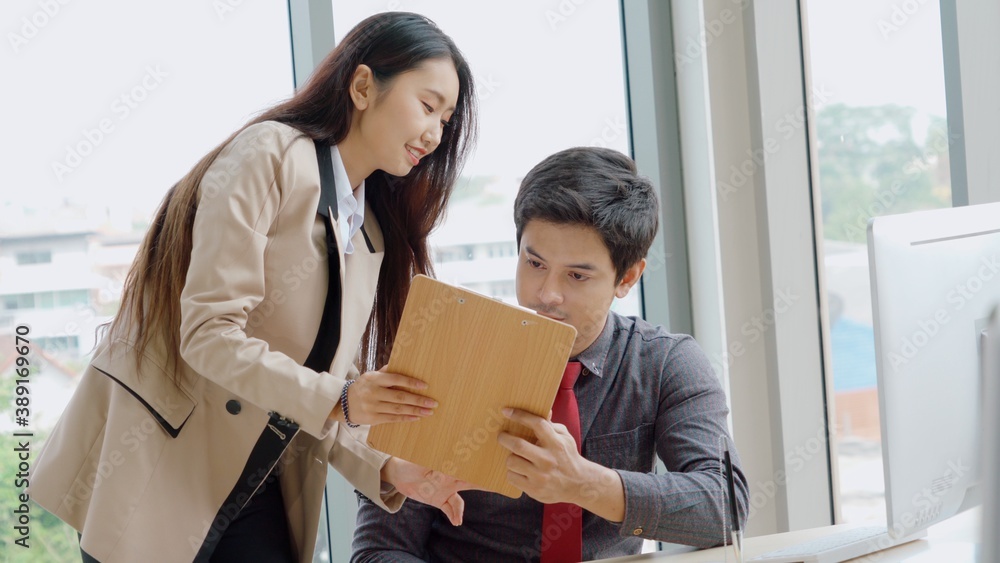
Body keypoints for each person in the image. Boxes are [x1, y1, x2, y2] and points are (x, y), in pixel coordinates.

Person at [29, 12, 478, 563]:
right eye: (428, 105)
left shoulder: (370, 234)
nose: (435, 134)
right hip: (162, 471)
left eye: (446, 119)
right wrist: (340, 398)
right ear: (363, 86)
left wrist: (390, 467)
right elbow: (209, 335)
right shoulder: (270, 154)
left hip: (258, 480)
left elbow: (323, 391)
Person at [351, 147, 750, 561]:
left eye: (577, 275)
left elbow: (726, 505)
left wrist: (581, 482)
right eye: (535, 263)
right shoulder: (451, 355)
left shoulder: (663, 363)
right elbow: (379, 551)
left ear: (627, 277)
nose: (546, 295)